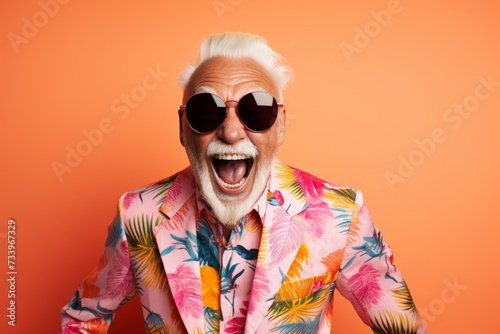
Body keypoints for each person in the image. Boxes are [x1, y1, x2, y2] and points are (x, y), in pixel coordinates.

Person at [61, 32, 426, 334]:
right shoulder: (137, 214)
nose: (232, 132)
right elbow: (82, 318)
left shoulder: (338, 215)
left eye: (256, 110)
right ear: (183, 128)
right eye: (207, 111)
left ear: (280, 125)